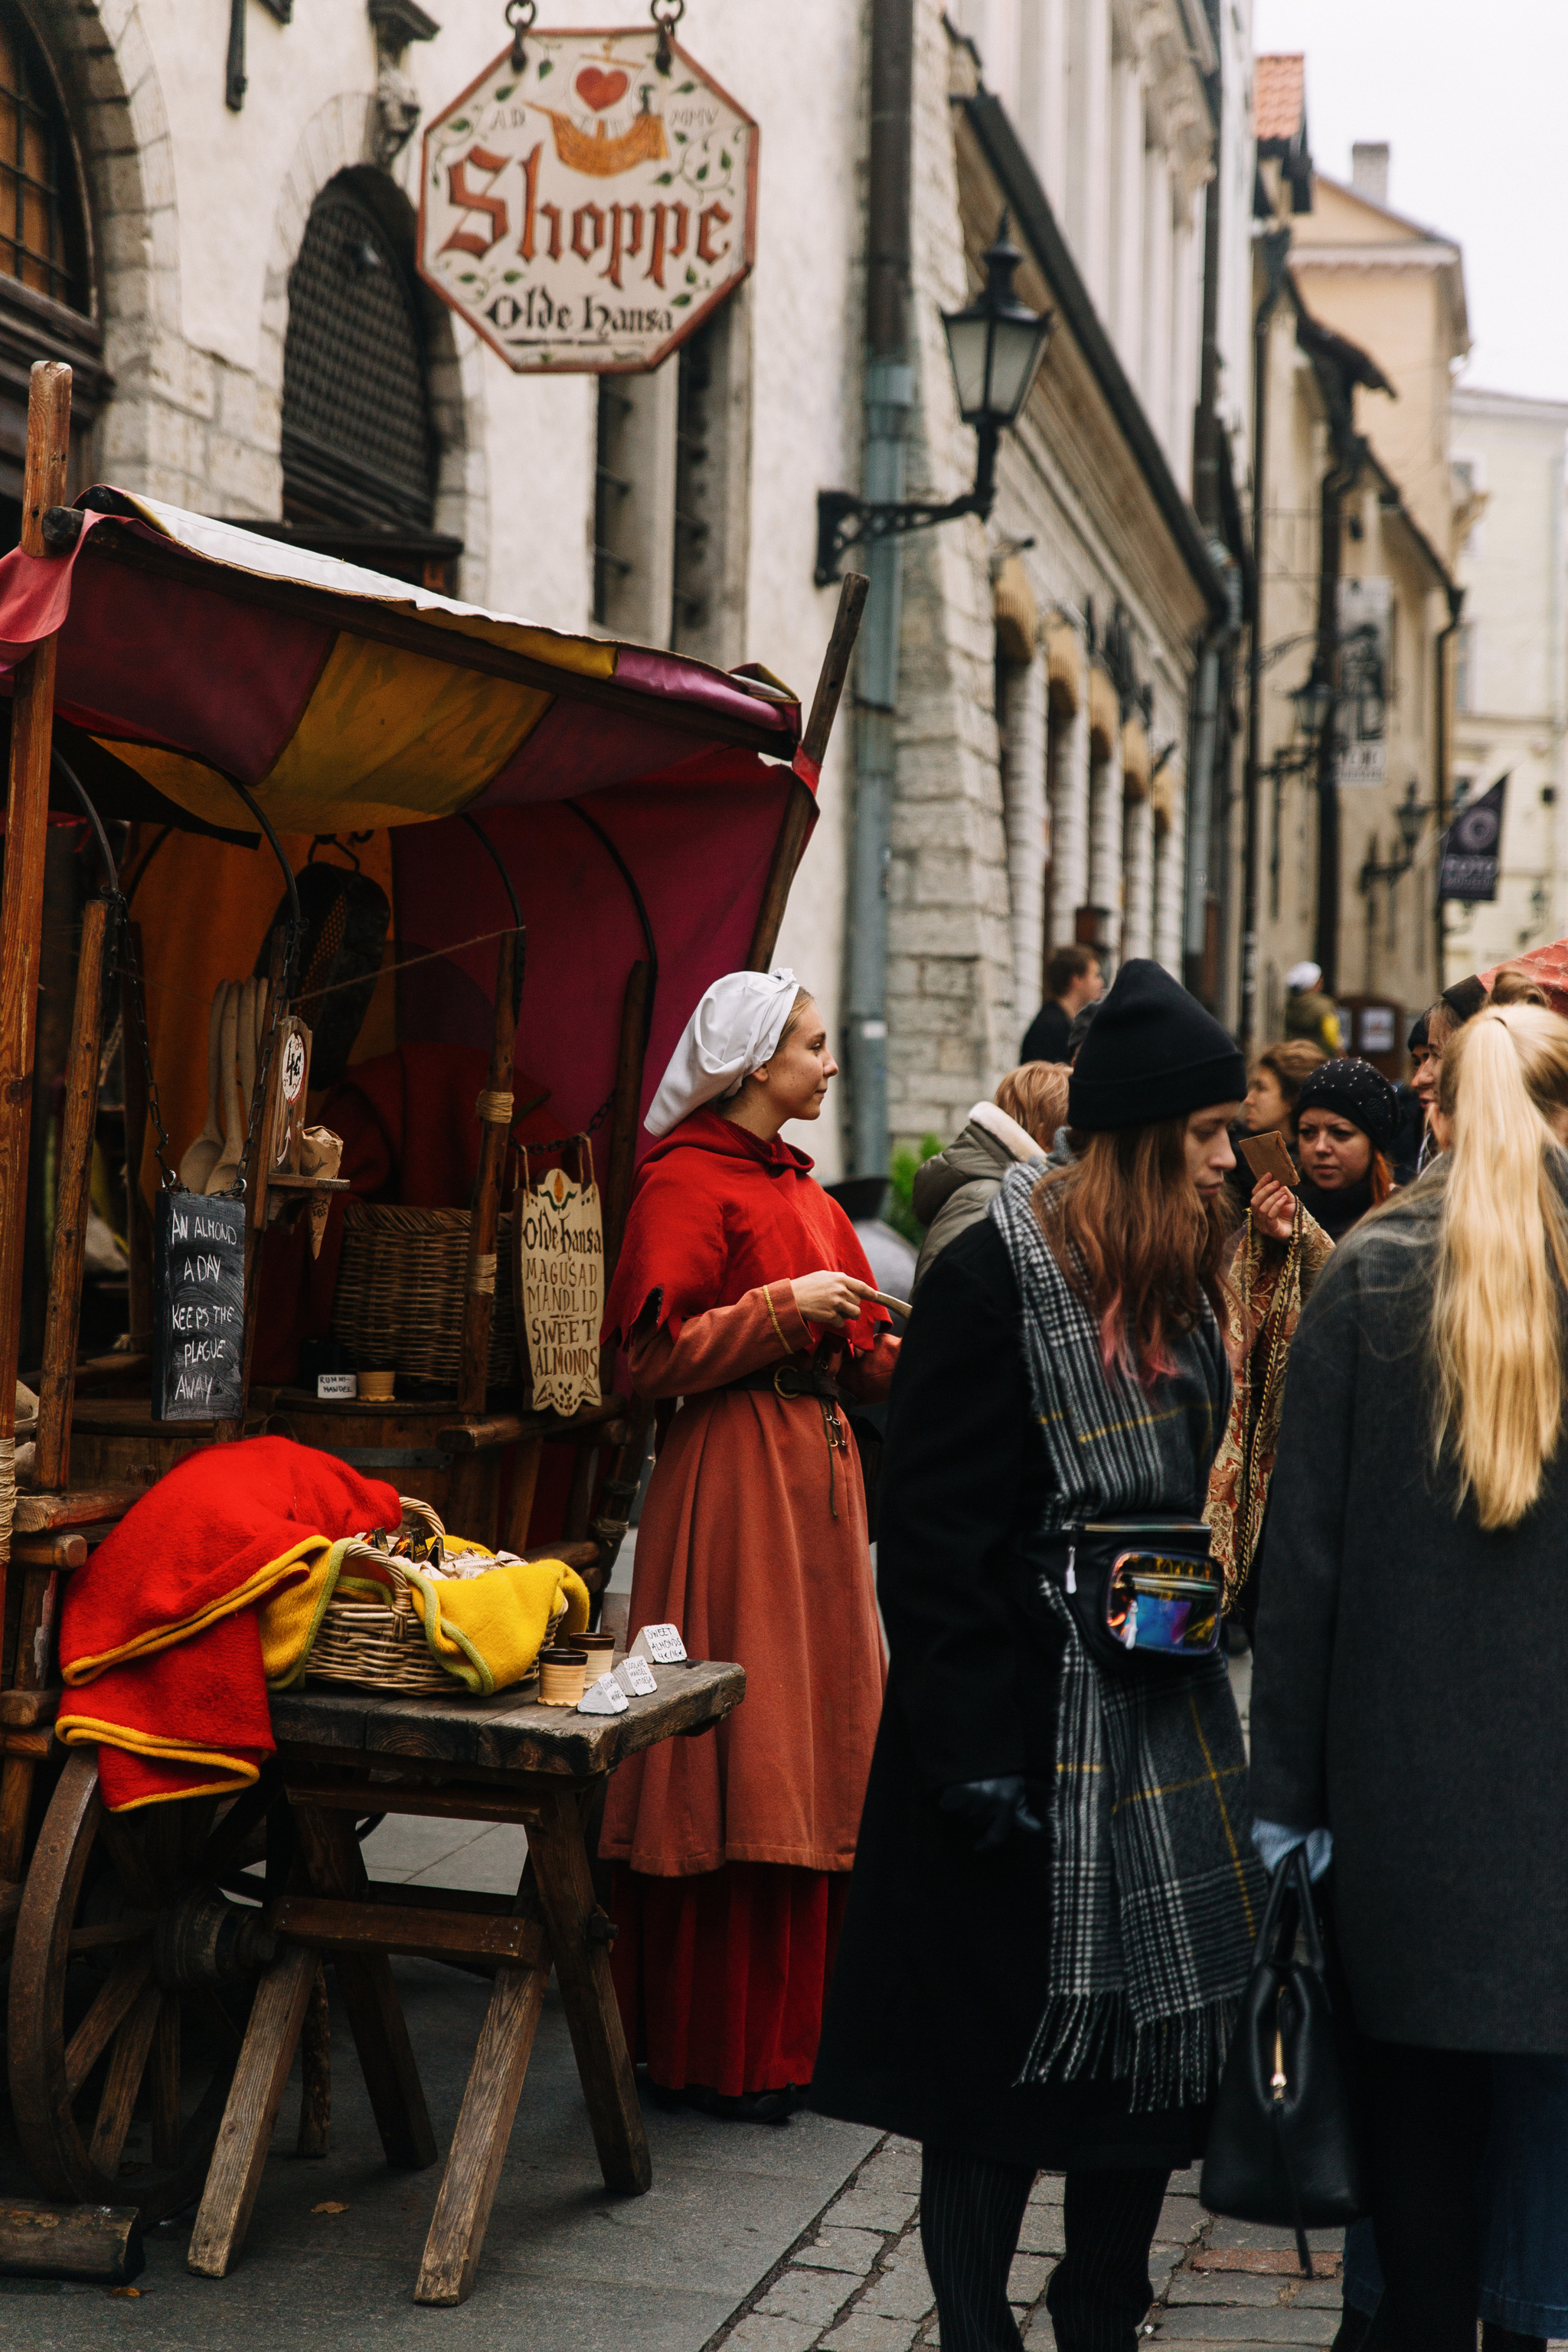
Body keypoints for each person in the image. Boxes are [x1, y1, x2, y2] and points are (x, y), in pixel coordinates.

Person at [813, 959, 1263, 2352]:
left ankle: (1100, 2312)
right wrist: (969, 1755)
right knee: (988, 2072)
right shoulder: (991, 1271)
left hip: (1158, 1719)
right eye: (1204, 1134)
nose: (1226, 1158)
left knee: (1146, 2063)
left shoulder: (1188, 1285)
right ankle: (970, 2326)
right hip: (1013, 1737)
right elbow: (935, 1533)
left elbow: (1183, 1498)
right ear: (1139, 1141)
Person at [1251, 1003, 1568, 2348]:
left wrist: (1282, 1804)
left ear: (1431, 1113)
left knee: (1414, 2183)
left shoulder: (1368, 1277)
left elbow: (1298, 1577)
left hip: (1399, 1824)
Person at [599, 969, 898, 2120]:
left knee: (816, 1741)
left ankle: (800, 2039)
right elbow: (648, 1360)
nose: (829, 1064)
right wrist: (784, 1311)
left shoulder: (807, 1195)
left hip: (816, 1485)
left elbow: (866, 1346)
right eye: (815, 1047)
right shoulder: (686, 1182)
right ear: (756, 1062)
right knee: (748, 1744)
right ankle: (716, 2049)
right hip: (732, 1485)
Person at [910, 1063, 1068, 1293]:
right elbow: (941, 1303)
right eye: (1073, 1135)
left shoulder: (1011, 1191)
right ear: (1045, 1136)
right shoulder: (984, 1200)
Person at [1292, 1057, 1398, 1240]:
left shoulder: (1403, 1219)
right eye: (1308, 1132)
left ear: (1373, 1143)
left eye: (1340, 1133)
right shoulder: (1279, 1213)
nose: (1320, 1147)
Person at [1021, 943, 1102, 1064]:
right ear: (1076, 980)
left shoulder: (1067, 1020)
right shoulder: (1049, 1026)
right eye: (1096, 975)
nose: (1101, 983)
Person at [1242, 1040, 1328, 1138]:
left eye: (1261, 1089)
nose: (1248, 1100)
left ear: (1291, 1100)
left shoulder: (1319, 1150)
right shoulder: (1236, 1144)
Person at [1283, 959, 1342, 1054]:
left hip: (1293, 1053)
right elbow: (1331, 1034)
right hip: (1317, 1055)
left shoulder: (1291, 1003)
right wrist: (1338, 1050)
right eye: (1320, 981)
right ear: (1313, 983)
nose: (1321, 985)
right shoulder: (1323, 1005)